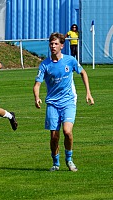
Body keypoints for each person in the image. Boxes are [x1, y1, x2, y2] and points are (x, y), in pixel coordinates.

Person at [33, 32, 94, 172]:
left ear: (62, 45)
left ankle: (69, 159)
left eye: (56, 44)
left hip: (68, 101)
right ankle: (55, 163)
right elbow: (37, 84)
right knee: (54, 136)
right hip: (52, 104)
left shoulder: (70, 60)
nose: (53, 46)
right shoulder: (45, 65)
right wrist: (37, 97)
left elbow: (83, 73)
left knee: (67, 131)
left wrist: (88, 93)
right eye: (51, 44)